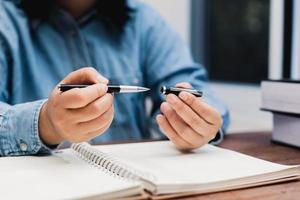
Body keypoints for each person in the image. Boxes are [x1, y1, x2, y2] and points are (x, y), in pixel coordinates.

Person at [0, 0, 229, 156]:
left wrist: (198, 122)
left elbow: (198, 90)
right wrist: (45, 123)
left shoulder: (142, 20)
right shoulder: (5, 20)